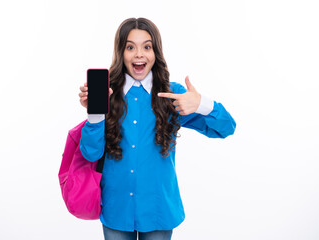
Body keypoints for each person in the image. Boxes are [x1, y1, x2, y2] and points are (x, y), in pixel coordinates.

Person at [78, 17, 236, 240]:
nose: (139, 54)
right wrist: (95, 113)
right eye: (130, 47)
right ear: (121, 52)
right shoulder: (107, 94)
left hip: (158, 209)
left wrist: (201, 103)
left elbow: (227, 127)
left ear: (156, 52)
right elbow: (90, 153)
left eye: (147, 47)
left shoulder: (173, 95)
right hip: (117, 207)